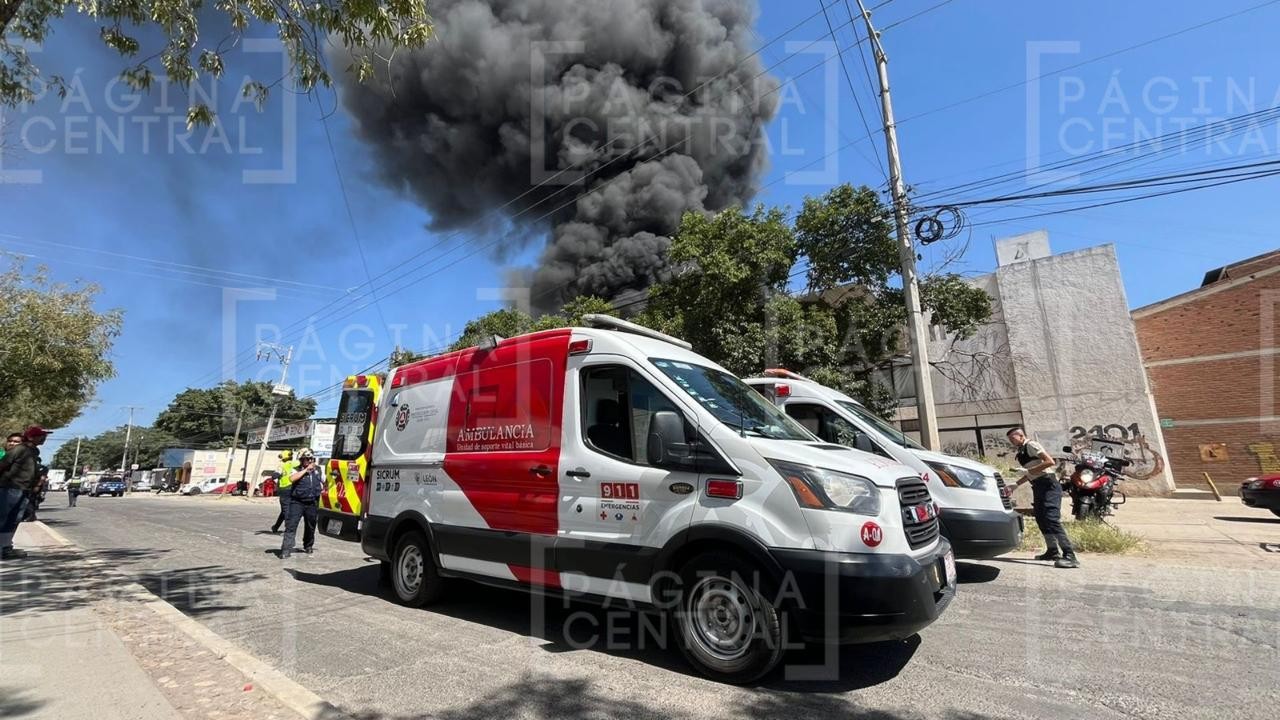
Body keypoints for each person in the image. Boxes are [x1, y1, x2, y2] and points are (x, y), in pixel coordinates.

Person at [1008, 427, 1079, 569]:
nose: (1011, 441)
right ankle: (1052, 551)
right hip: (1038, 485)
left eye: (1012, 438)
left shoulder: (1031, 445)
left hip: (1049, 485)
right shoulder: (1022, 449)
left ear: (1021, 436)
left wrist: (1029, 471)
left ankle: (1070, 555)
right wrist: (1015, 485)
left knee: (1052, 519)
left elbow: (1049, 462)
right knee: (1041, 518)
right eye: (1009, 439)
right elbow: (1031, 473)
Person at [0, 426, 51, 560]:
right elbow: (3, 464)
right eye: (41, 436)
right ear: (31, 437)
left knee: (13, 519)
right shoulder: (20, 449)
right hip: (11, 488)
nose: (44, 438)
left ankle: (6, 547)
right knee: (4, 518)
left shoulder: (33, 452)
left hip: (23, 490)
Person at [280, 450, 323, 559]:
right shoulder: (296, 469)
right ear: (301, 460)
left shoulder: (318, 470)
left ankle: (308, 545)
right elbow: (292, 478)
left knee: (311, 525)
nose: (309, 461)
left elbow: (325, 481)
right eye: (306, 459)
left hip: (312, 502)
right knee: (291, 525)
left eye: (311, 459)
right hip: (297, 502)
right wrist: (305, 470)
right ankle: (286, 549)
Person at [269, 450, 297, 533]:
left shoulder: (284, 465)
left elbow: (274, 476)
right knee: (286, 511)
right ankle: (282, 528)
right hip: (290, 490)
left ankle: (281, 527)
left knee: (285, 510)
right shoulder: (293, 464)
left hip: (288, 490)